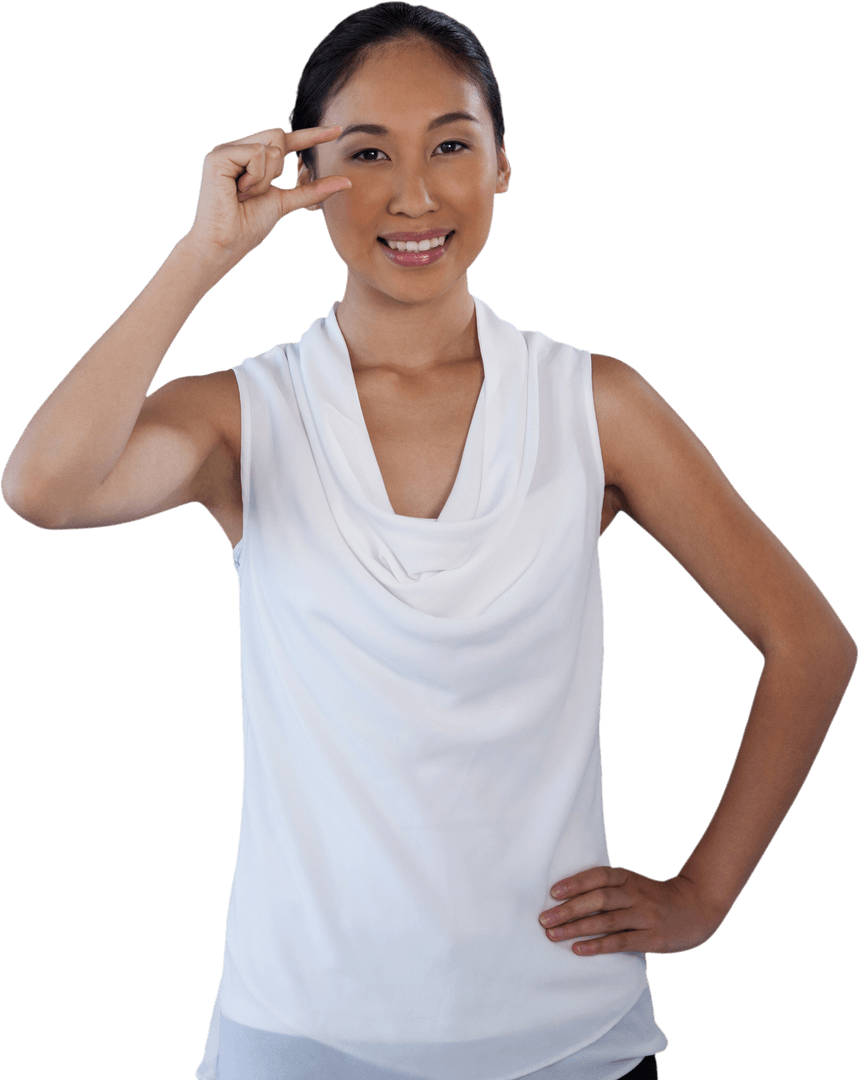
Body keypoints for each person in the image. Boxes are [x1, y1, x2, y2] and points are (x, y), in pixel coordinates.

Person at [2, 3, 855, 1079]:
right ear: (304, 174)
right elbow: (41, 487)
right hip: (296, 1038)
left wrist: (704, 893)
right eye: (366, 153)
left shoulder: (596, 403)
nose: (413, 195)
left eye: (451, 144)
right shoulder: (242, 414)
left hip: (571, 1043)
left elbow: (808, 640)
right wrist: (200, 255)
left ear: (503, 166)